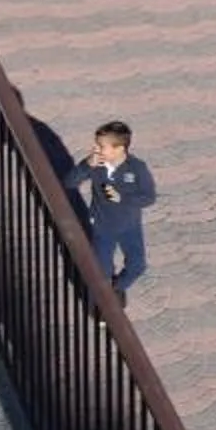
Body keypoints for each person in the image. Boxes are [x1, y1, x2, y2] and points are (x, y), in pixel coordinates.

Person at [60, 121, 156, 301]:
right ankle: (100, 304)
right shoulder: (96, 165)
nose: (96, 148)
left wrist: (123, 199)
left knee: (137, 265)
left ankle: (118, 287)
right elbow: (69, 182)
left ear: (119, 148)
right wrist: (86, 165)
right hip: (102, 227)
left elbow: (149, 197)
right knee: (102, 270)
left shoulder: (136, 168)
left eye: (101, 146)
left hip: (129, 226)